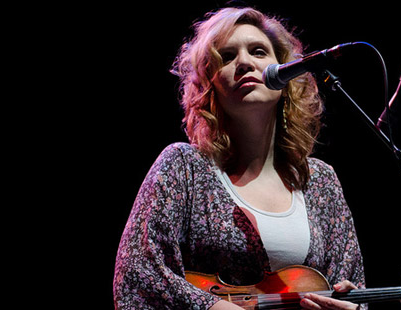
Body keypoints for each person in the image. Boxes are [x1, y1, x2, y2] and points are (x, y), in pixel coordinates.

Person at [113, 7, 366, 310]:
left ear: (287, 74)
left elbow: (350, 280)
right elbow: (138, 274)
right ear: (211, 86)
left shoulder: (321, 182)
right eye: (228, 57)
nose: (244, 62)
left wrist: (352, 304)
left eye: (258, 51)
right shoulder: (183, 167)